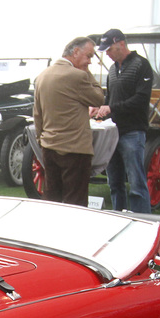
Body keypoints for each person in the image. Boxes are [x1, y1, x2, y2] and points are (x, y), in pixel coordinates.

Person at [32, 37, 104, 206]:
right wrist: (86, 72)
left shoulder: (42, 76)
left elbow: (37, 114)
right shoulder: (78, 76)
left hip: (49, 146)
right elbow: (99, 98)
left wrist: (41, 140)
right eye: (88, 56)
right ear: (75, 52)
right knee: (75, 201)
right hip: (75, 149)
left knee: (51, 198)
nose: (89, 61)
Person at [92, 28, 154, 214]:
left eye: (109, 49)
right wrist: (99, 108)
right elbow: (111, 98)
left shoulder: (141, 65)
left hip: (133, 131)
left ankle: (143, 220)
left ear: (121, 44)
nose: (108, 54)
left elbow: (141, 98)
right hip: (113, 132)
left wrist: (111, 108)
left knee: (136, 182)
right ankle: (117, 217)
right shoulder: (112, 69)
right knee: (114, 182)